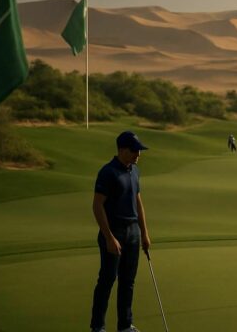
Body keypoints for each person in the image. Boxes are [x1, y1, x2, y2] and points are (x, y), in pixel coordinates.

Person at [90, 131, 151, 332]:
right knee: (107, 280)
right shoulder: (108, 172)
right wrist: (108, 237)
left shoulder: (135, 171)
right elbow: (97, 205)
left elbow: (138, 201)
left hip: (133, 231)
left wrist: (144, 233)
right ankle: (98, 326)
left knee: (128, 281)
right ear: (122, 150)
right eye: (134, 151)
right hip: (114, 231)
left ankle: (125, 325)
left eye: (139, 151)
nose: (138, 155)